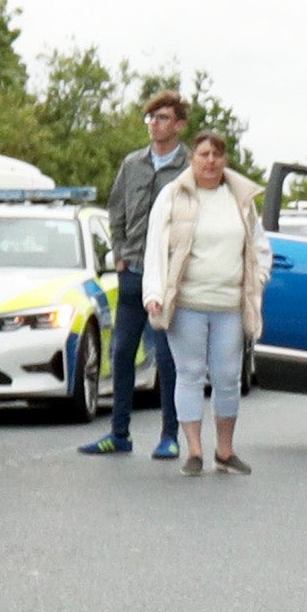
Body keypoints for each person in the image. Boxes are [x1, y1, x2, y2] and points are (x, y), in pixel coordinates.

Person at [142, 129, 270, 475]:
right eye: (203, 155)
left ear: (224, 160)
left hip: (229, 303)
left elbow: (259, 246)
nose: (210, 161)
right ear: (191, 159)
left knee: (228, 376)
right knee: (190, 373)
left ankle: (225, 450)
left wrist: (257, 279)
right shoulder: (173, 196)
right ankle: (195, 450)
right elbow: (156, 246)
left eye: (217, 155)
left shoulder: (240, 199)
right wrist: (154, 293)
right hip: (187, 301)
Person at [80, 91, 196, 463]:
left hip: (168, 274)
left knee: (166, 355)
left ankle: (169, 434)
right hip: (132, 268)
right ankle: (119, 432)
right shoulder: (133, 163)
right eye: (150, 118)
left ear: (179, 124)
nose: (154, 124)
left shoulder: (190, 168)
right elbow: (116, 208)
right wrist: (118, 253)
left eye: (162, 118)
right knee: (122, 351)